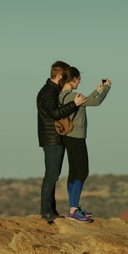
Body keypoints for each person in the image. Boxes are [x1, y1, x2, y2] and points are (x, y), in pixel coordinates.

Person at [36, 61, 87, 223]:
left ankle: (51, 210)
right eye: (64, 76)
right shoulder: (47, 93)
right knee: (51, 175)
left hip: (57, 137)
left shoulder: (55, 91)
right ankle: (46, 212)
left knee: (54, 175)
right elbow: (54, 114)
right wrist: (75, 104)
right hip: (52, 139)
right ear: (59, 76)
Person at [58, 66, 111, 222]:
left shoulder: (63, 95)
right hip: (76, 137)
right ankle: (73, 209)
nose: (80, 81)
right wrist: (106, 88)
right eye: (79, 78)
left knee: (74, 171)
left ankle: (73, 207)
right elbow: (96, 102)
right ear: (73, 79)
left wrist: (96, 90)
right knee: (82, 171)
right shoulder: (72, 96)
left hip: (69, 137)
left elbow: (87, 101)